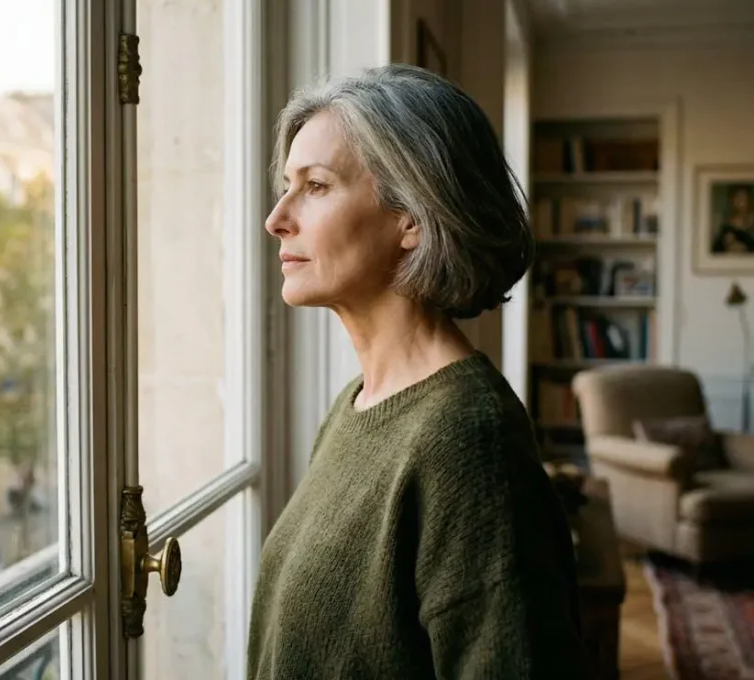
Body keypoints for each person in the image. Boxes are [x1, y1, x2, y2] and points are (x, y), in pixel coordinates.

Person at [247, 64, 588, 678]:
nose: (277, 218)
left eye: (316, 186)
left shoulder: (466, 439)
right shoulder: (360, 401)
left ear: (412, 216)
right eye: (286, 185)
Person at [710, 184, 754, 254]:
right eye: (738, 198)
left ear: (749, 199)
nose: (741, 202)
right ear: (732, 200)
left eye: (743, 198)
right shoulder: (726, 225)